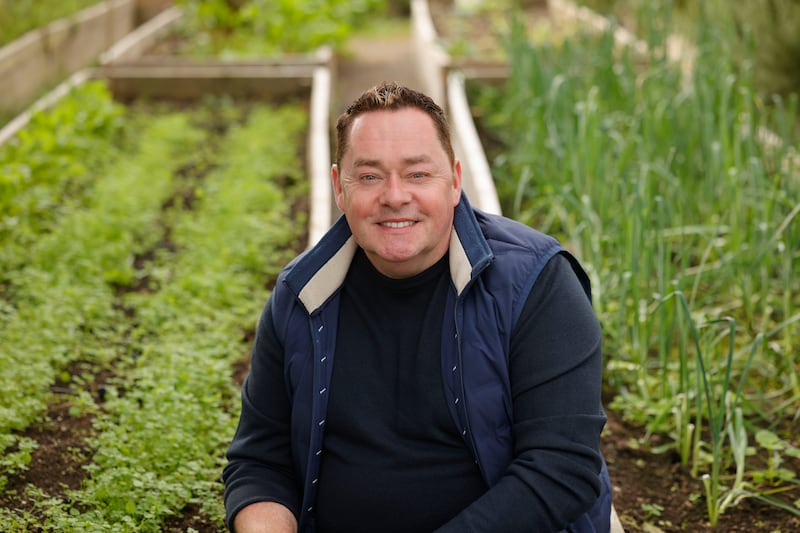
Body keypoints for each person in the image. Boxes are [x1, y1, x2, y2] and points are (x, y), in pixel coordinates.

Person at [223, 81, 613, 533]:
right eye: (369, 176)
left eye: (417, 174)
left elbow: (560, 468)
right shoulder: (302, 294)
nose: (394, 195)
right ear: (338, 187)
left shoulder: (534, 284)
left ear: (454, 181)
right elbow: (258, 460)